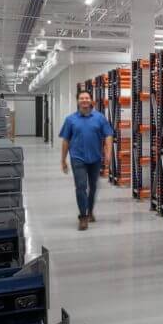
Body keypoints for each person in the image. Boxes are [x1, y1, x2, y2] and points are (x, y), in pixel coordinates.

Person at [59, 90, 113, 230]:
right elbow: (66, 140)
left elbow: (108, 135)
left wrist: (108, 153)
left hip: (95, 157)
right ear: (78, 101)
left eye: (87, 98)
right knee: (81, 186)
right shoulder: (70, 120)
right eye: (82, 98)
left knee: (93, 187)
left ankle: (90, 211)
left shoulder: (100, 118)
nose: (84, 100)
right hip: (78, 157)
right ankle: (83, 217)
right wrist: (63, 159)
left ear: (91, 100)